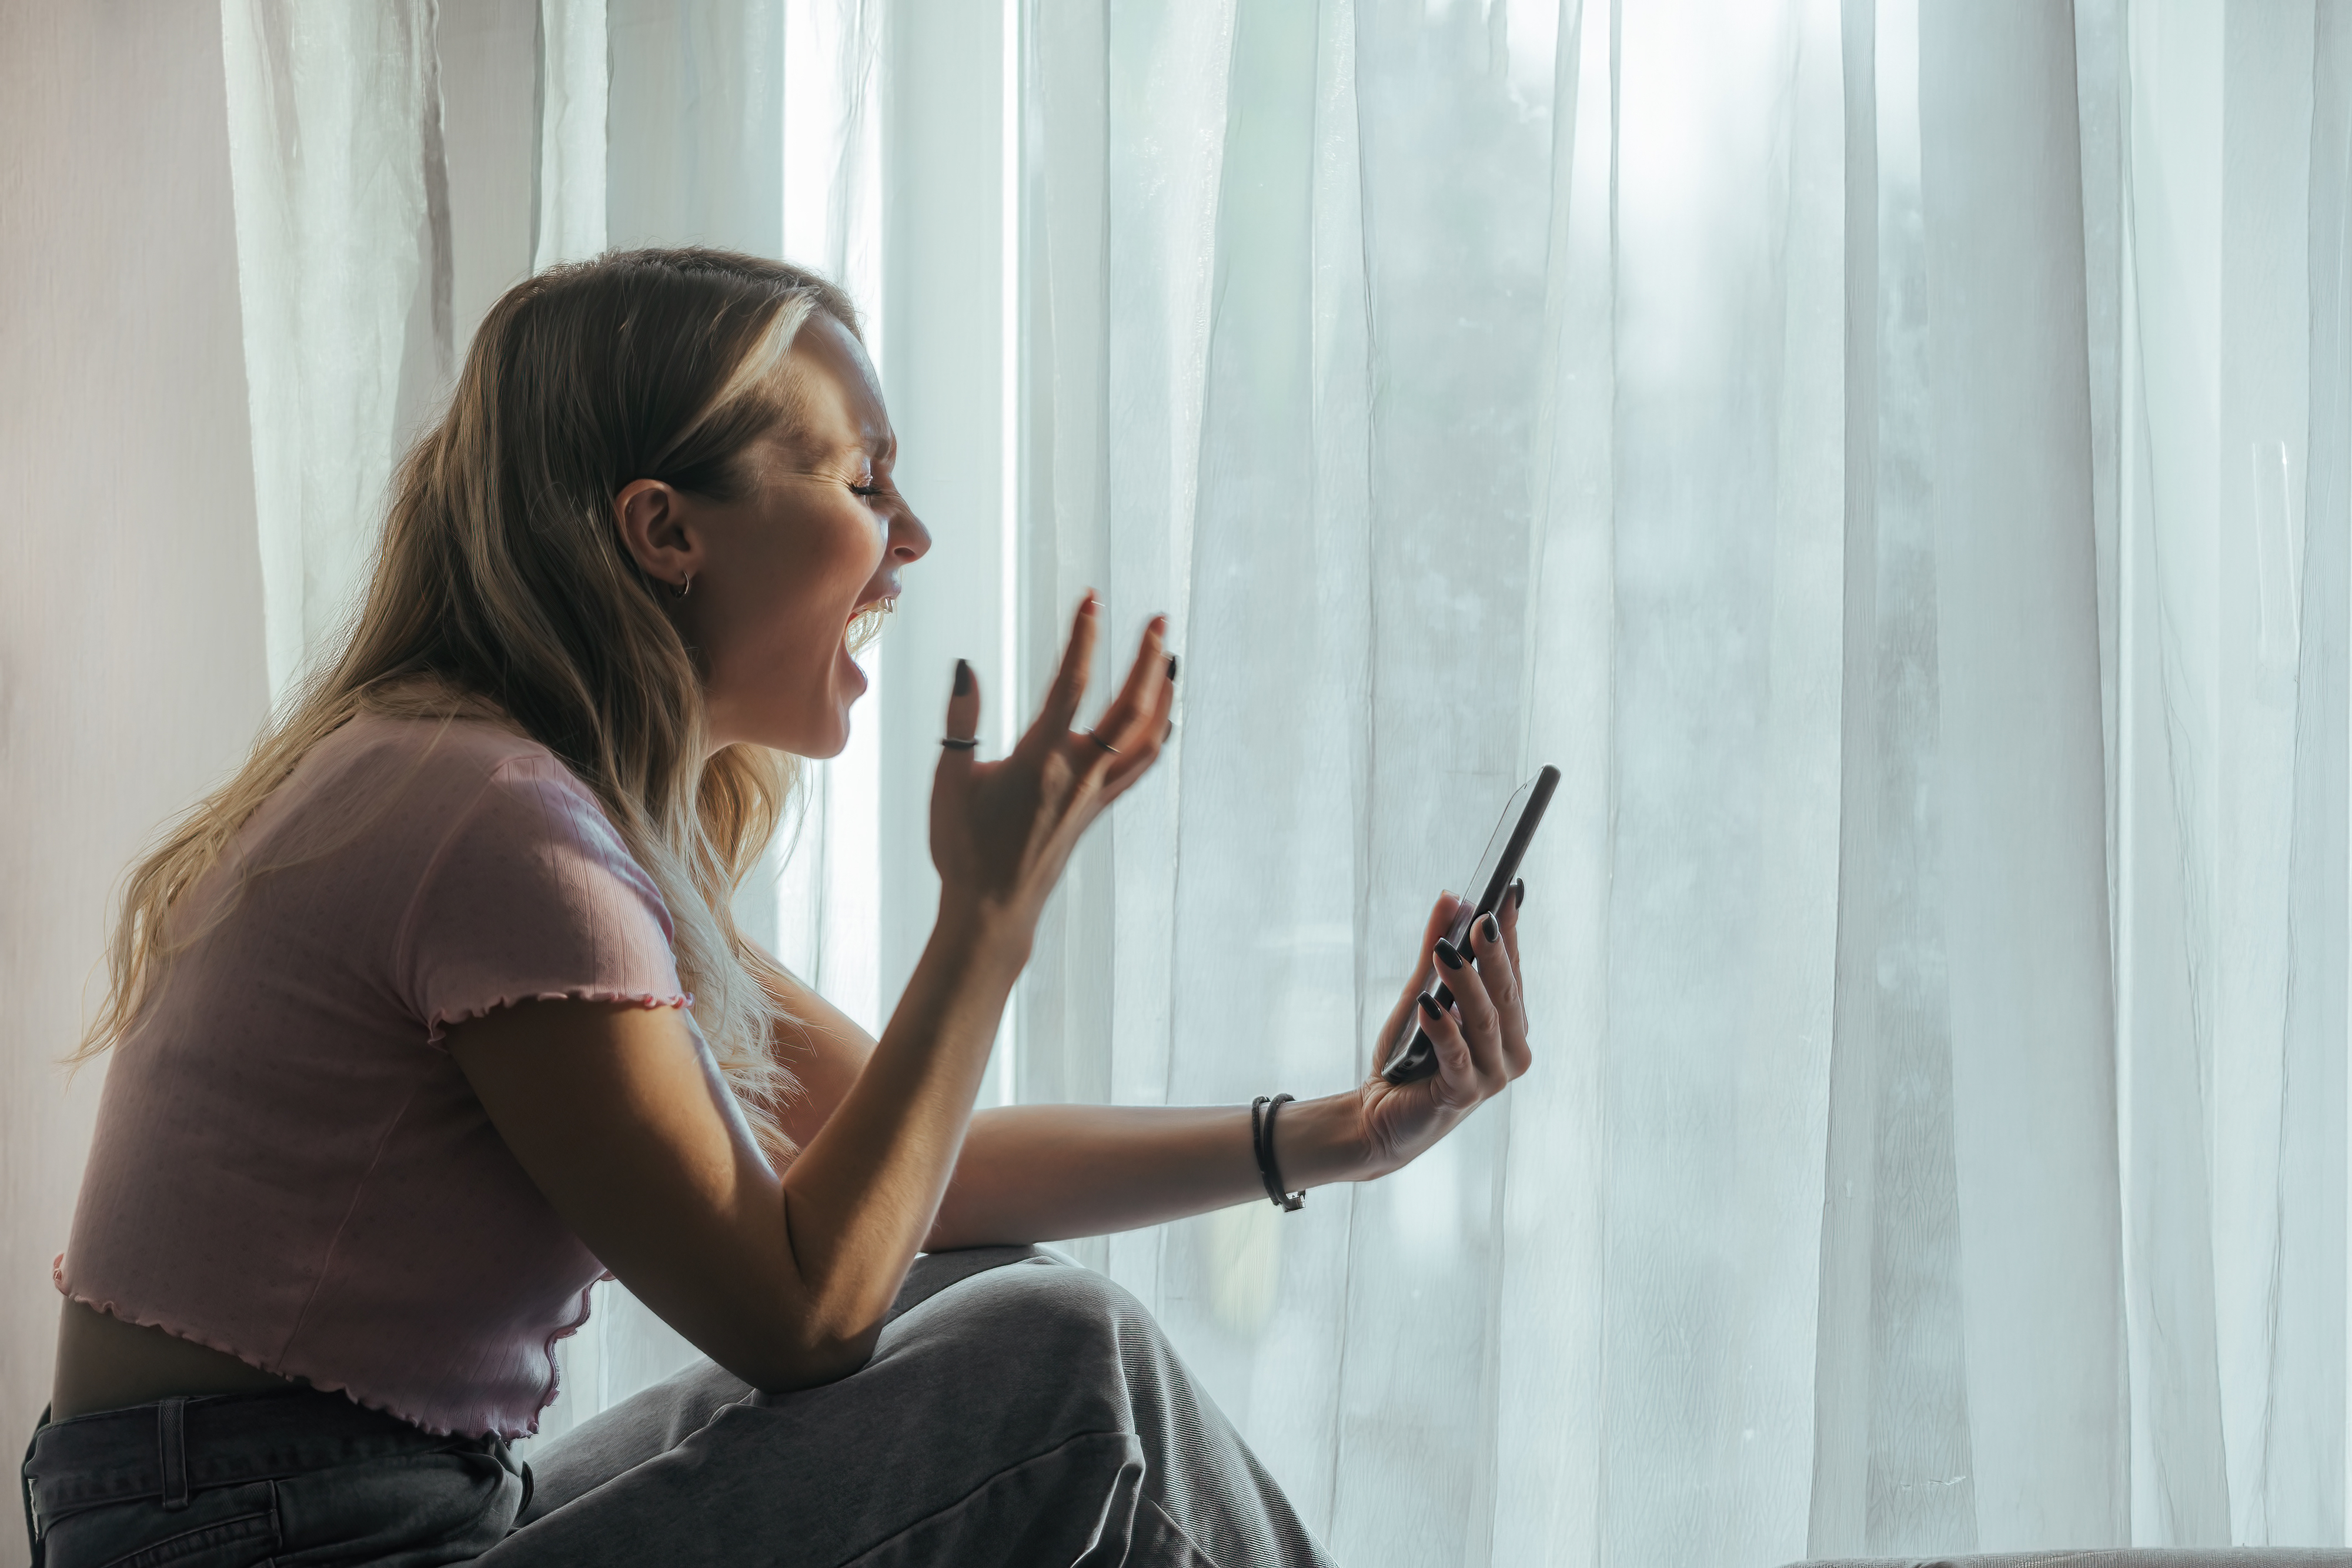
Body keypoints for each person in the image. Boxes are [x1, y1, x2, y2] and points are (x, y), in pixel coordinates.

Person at [21, 248, 1535, 1568]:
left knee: (986, 1299)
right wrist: (981, 921)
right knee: (1061, 1367)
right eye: (861, 480)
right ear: (664, 532)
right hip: (282, 1541)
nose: (913, 538)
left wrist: (1336, 1133)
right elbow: (799, 1312)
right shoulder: (493, 829)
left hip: (339, 1512)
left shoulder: (513, 805)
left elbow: (911, 1185)